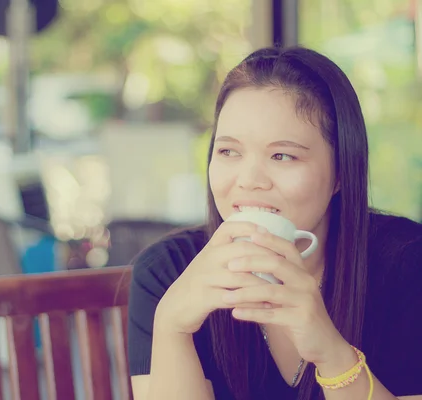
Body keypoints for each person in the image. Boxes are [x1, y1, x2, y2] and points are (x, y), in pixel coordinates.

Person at [127, 46, 422, 400]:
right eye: (228, 151)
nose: (249, 180)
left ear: (341, 173)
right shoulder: (167, 272)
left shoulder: (407, 264)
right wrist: (172, 326)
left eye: (282, 155)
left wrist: (332, 353)